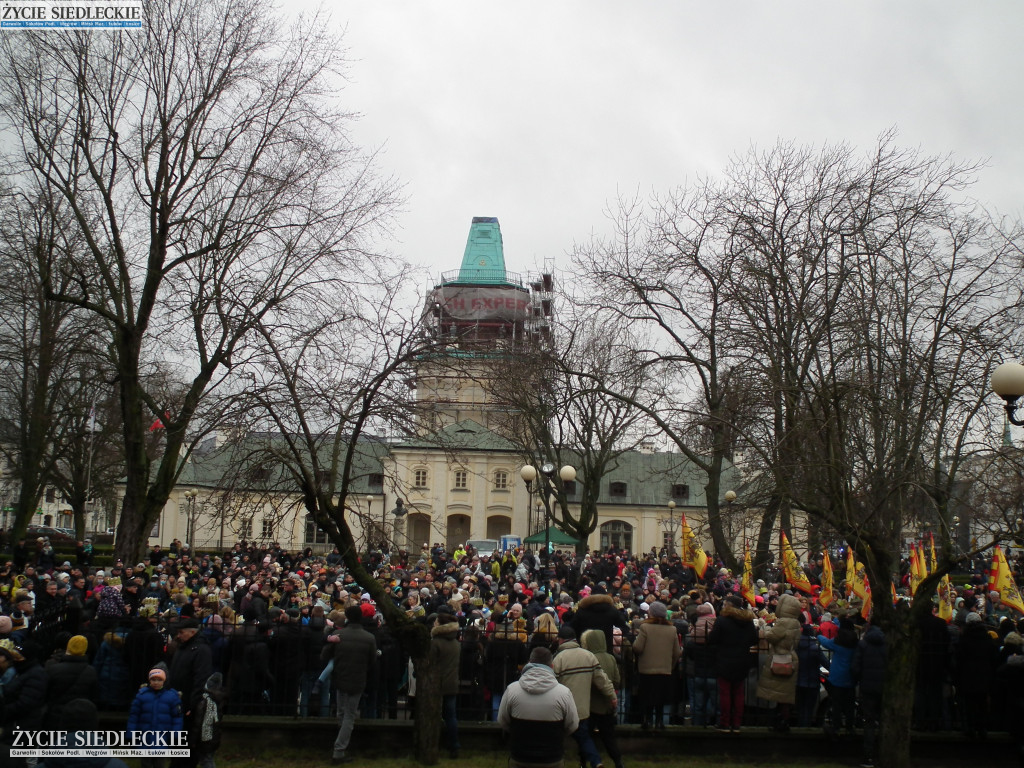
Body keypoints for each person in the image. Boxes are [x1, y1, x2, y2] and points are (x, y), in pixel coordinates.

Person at [498, 646, 580, 768]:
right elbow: (572, 725)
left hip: (520, 757)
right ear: (551, 666)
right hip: (552, 758)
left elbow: (503, 721)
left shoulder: (512, 690)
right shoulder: (564, 693)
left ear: (529, 663)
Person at [552, 625, 616, 768]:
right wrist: (612, 695)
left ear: (560, 640)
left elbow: (552, 683)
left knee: (556, 738)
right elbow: (602, 679)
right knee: (584, 737)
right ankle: (595, 762)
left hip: (562, 707)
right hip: (582, 709)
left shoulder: (558, 659)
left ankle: (555, 761)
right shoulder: (588, 655)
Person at [323, 604, 377, 764]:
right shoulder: (368, 637)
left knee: (343, 713)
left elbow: (325, 655)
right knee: (348, 715)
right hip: (358, 678)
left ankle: (340, 748)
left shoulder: (339, 634)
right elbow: (372, 659)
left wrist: (329, 639)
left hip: (341, 676)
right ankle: (339, 749)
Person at [707, 594, 757, 733]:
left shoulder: (722, 620)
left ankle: (725, 723)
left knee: (725, 693)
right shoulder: (748, 621)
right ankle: (736, 724)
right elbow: (754, 639)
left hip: (725, 660)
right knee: (739, 693)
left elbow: (712, 639)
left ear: (729, 606)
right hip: (742, 660)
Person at [167, 617, 212, 768]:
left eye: (181, 632)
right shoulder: (183, 647)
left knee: (187, 742)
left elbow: (200, 678)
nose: (178, 636)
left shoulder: (201, 650)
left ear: (192, 632)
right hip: (177, 702)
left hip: (188, 705)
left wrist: (192, 704)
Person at [756, 593, 801, 732]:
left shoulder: (783, 622)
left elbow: (771, 637)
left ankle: (777, 722)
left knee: (777, 693)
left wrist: (765, 627)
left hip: (779, 657)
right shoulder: (796, 622)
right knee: (785, 695)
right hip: (791, 657)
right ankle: (784, 721)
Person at [632, 601, 681, 731]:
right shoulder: (672, 629)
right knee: (660, 698)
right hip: (664, 669)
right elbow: (677, 652)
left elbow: (637, 647)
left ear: (651, 613)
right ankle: (660, 722)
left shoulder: (645, 627)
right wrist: (670, 665)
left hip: (646, 669)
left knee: (647, 698)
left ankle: (647, 721)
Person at [127, 664, 184, 768]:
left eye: (159, 680)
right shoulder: (142, 696)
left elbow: (177, 717)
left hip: (162, 737)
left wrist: (176, 734)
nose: (156, 682)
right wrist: (131, 733)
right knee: (146, 764)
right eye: (153, 679)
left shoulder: (172, 697)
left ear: (164, 681)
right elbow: (134, 716)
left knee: (160, 763)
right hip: (145, 737)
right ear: (149, 680)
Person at [581, 629, 624, 768]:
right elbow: (617, 680)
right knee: (609, 737)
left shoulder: (589, 657)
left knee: (585, 736)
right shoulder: (611, 657)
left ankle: (583, 762)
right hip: (607, 705)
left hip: (592, 704)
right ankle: (618, 762)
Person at [852, 622, 887, 768]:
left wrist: (859, 679)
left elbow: (855, 667)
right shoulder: (887, 645)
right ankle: (885, 754)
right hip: (883, 687)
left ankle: (868, 757)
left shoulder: (863, 645)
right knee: (884, 721)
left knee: (869, 722)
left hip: (867, 687)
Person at [430, 612, 462, 759]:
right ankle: (454, 746)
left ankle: (432, 744)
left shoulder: (435, 642)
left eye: (436, 622)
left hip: (436, 683)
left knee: (433, 715)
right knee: (451, 716)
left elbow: (430, 663)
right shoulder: (456, 643)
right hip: (452, 682)